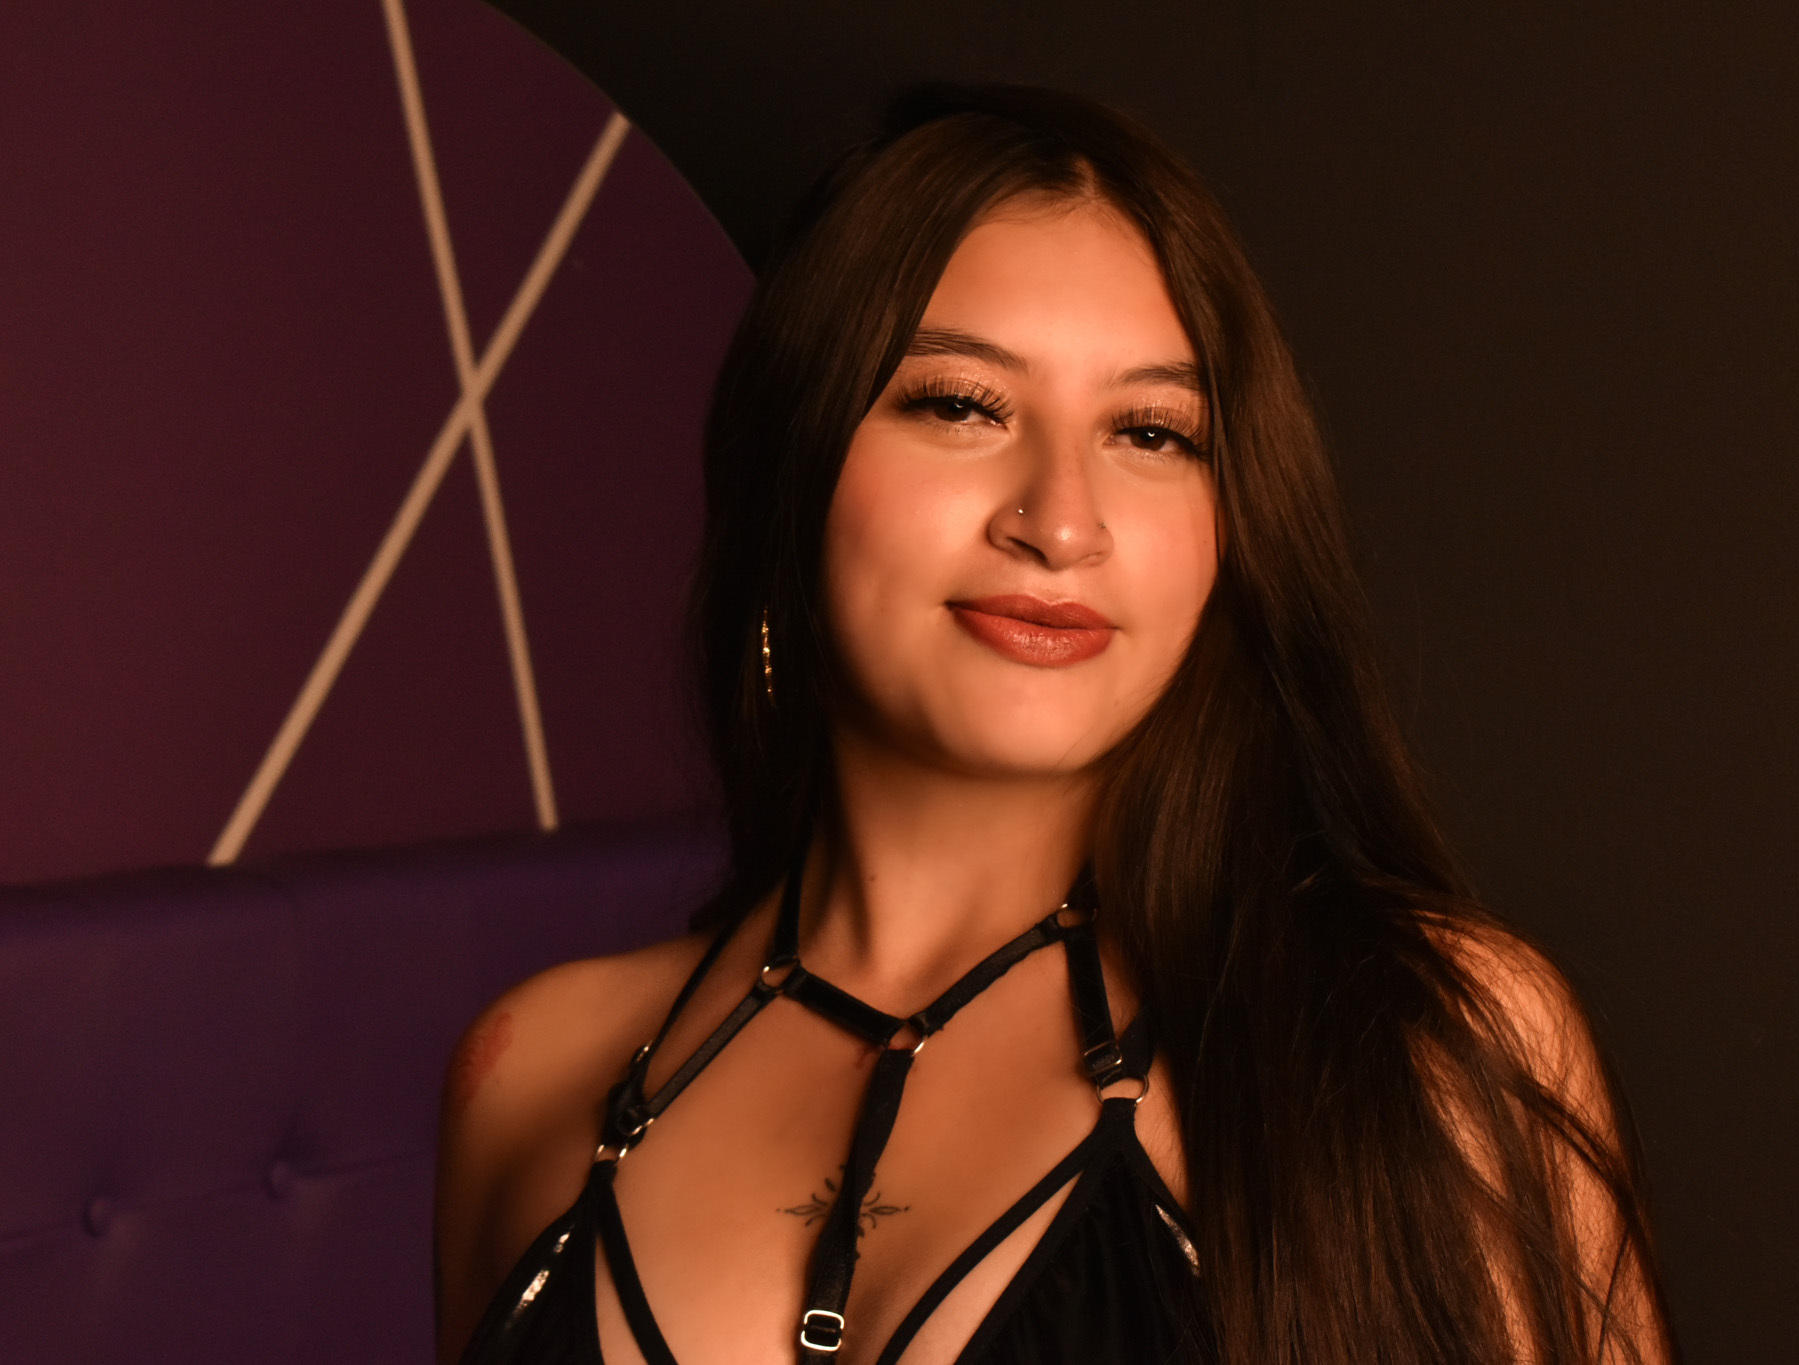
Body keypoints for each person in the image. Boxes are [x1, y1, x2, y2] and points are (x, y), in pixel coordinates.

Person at [434, 84, 1673, 1365]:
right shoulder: (531, 1076)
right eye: (961, 405)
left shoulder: (1421, 1042)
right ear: (789, 460)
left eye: (1150, 431)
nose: (1061, 522)